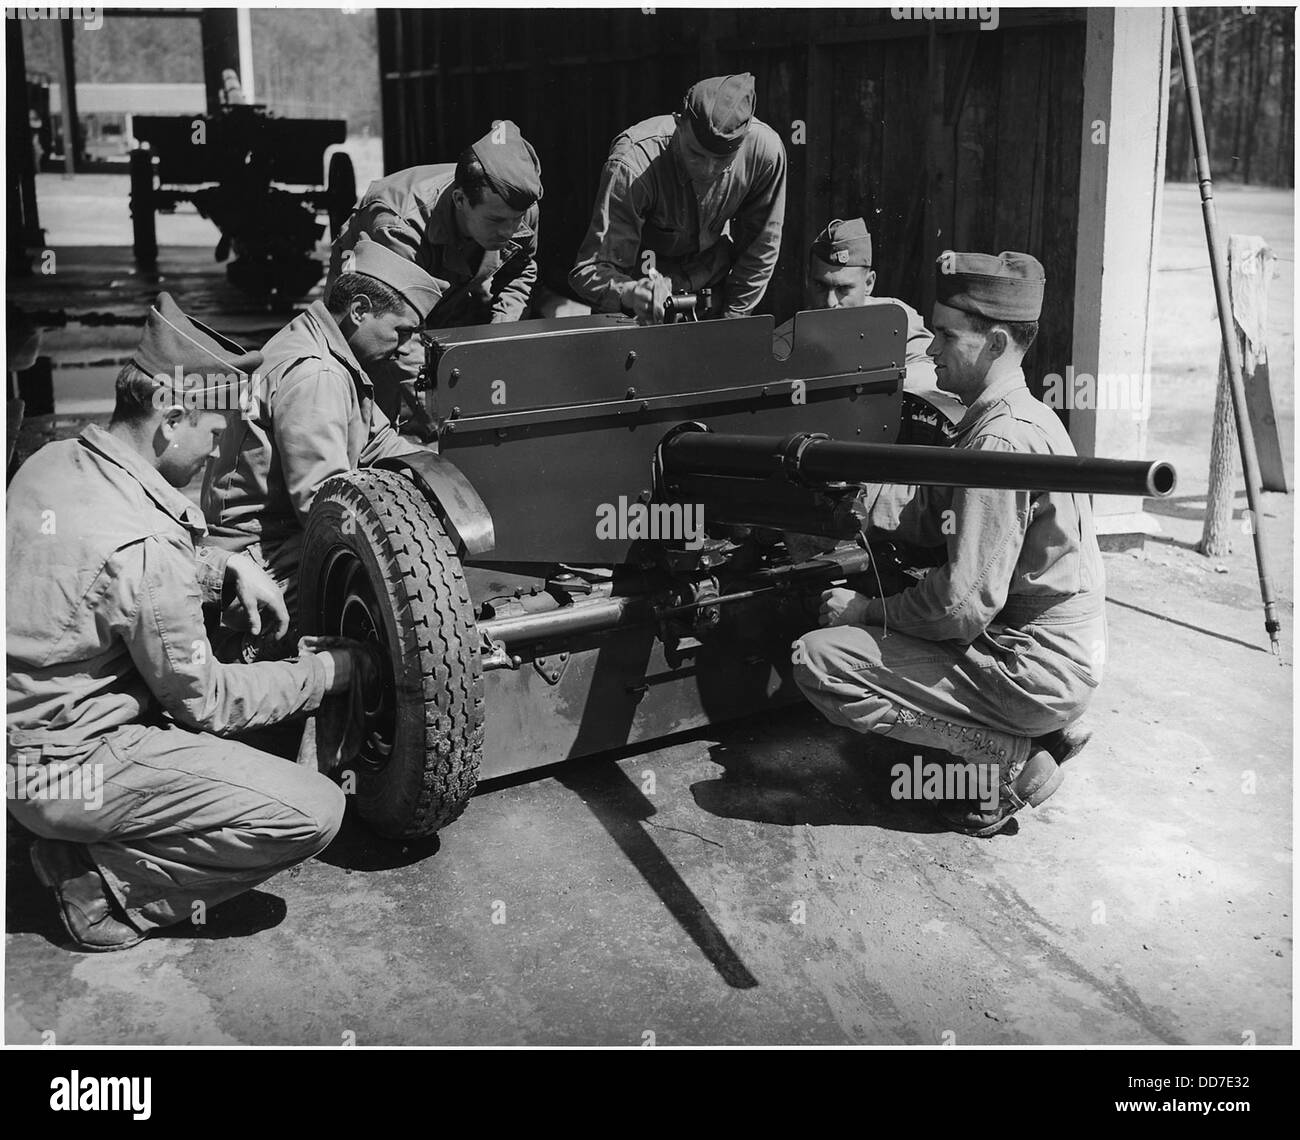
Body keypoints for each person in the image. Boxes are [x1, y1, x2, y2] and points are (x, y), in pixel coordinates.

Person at [7, 294, 369, 951]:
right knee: (313, 811)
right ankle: (95, 880)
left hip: (19, 737)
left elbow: (95, 570)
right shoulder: (146, 547)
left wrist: (216, 567)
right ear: (174, 418)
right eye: (216, 433)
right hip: (65, 769)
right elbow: (210, 701)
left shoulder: (49, 464)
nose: (219, 453)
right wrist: (322, 674)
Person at [793, 251, 1098, 837]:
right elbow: (931, 512)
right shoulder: (1018, 416)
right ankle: (1037, 731)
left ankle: (1010, 757)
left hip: (1029, 666)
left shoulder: (1002, 443)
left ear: (996, 342)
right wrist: (848, 497)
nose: (929, 351)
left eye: (944, 336)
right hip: (1045, 653)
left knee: (823, 660)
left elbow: (960, 607)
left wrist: (864, 610)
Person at [202, 235, 442, 658]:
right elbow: (324, 506)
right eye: (400, 332)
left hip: (273, 540)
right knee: (405, 612)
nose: (406, 348)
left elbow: (377, 439)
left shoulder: (319, 341)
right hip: (262, 557)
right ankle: (258, 660)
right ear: (360, 310)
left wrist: (445, 472)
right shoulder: (318, 375)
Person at [570, 73, 786, 324]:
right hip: (638, 309)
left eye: (721, 162)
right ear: (678, 123)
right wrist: (631, 293)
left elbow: (760, 248)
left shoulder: (765, 152)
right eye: (695, 154)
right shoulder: (633, 163)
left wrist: (732, 321)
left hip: (712, 298)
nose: (706, 171)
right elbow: (590, 271)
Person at [324, 119, 543, 329]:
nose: (509, 231)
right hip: (372, 303)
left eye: (517, 219)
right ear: (460, 200)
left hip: (449, 293)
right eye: (496, 220)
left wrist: (501, 333)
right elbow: (393, 324)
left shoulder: (518, 205)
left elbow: (519, 272)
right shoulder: (400, 227)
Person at [774, 218, 964, 446]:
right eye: (820, 286)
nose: (830, 301)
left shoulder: (894, 317)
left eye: (844, 289)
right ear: (807, 280)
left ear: (869, 283)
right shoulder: (785, 343)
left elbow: (931, 374)